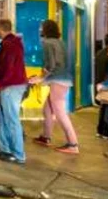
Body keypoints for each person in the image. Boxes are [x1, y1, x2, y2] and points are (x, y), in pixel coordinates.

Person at [33, 20, 79, 155]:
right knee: (47, 109)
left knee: (60, 113)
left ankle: (73, 144)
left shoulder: (47, 43)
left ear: (45, 30)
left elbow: (51, 65)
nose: (40, 30)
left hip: (57, 80)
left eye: (42, 28)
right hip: (65, 79)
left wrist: (40, 78)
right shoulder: (61, 42)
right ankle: (45, 137)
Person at [0, 18, 28, 165]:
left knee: (11, 119)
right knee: (4, 118)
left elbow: (8, 68)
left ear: (1, 29)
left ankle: (18, 154)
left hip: (10, 86)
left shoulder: (9, 45)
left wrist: (0, 83)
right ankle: (4, 147)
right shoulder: (13, 43)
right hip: (13, 85)